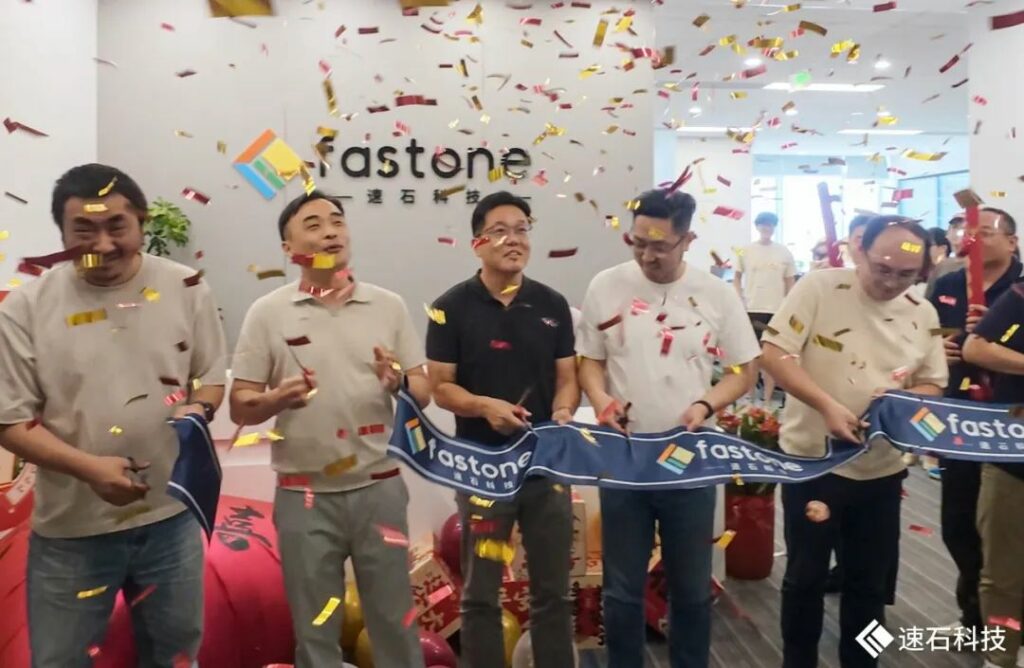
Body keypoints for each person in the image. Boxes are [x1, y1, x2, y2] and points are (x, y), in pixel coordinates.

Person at [0, 164, 228, 667]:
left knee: (175, 657)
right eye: (84, 230)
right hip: (71, 531)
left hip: (170, 518)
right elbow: (10, 422)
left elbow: (211, 378)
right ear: (62, 235)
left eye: (117, 226)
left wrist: (200, 408)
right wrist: (89, 469)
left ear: (141, 222)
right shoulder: (26, 307)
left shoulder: (186, 286)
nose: (102, 244)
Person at [229, 191, 430, 668]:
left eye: (337, 221)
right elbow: (241, 405)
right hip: (304, 496)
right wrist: (277, 399)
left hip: (379, 488)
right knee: (315, 631)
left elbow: (423, 391)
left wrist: (398, 382)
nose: (330, 232)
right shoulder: (268, 312)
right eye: (314, 224)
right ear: (288, 247)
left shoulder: (388, 306)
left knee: (395, 623)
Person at [577, 189, 760, 668]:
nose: (646, 256)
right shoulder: (605, 286)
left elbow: (745, 371)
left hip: (690, 460)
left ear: (688, 240)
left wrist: (706, 403)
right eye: (637, 243)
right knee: (621, 589)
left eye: (660, 246)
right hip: (625, 458)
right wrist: (601, 399)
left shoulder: (716, 294)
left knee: (692, 589)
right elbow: (590, 361)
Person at [761, 215, 948, 668]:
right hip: (813, 462)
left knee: (870, 586)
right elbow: (774, 353)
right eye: (882, 268)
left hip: (881, 469)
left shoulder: (922, 312)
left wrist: (902, 403)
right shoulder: (820, 288)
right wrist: (826, 405)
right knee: (805, 577)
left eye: (906, 274)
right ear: (859, 250)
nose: (891, 282)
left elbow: (933, 382)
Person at [425, 191, 579, 668]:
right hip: (482, 471)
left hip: (544, 468)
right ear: (477, 243)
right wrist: (483, 406)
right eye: (500, 231)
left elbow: (568, 378)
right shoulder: (448, 308)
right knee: (481, 593)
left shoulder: (553, 304)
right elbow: (441, 387)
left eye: (522, 229)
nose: (514, 239)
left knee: (553, 591)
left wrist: (564, 411)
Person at [929, 207, 1021, 639]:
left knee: (1006, 532)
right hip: (959, 416)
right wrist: (938, 350)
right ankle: (976, 617)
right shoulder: (948, 283)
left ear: (1012, 242)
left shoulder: (1018, 288)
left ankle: (1007, 626)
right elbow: (926, 334)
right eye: (969, 233)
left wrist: (986, 345)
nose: (974, 241)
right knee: (958, 523)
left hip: (1009, 420)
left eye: (986, 233)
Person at [963, 287, 1024, 668]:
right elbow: (976, 347)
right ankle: (1000, 656)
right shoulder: (1021, 295)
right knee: (1003, 571)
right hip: (1013, 453)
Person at [733, 212, 795, 404]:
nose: (766, 228)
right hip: (752, 308)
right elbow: (736, 277)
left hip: (776, 311)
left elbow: (790, 282)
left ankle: (767, 400)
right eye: (763, 225)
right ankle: (750, 397)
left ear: (774, 227)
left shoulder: (784, 252)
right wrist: (739, 298)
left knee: (770, 356)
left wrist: (788, 306)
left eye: (770, 225)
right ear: (757, 226)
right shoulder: (745, 250)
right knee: (753, 356)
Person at [925, 214, 966, 298]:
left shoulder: (981, 267)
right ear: (947, 235)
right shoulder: (941, 266)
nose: (958, 232)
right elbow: (928, 299)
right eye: (954, 227)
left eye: (963, 228)